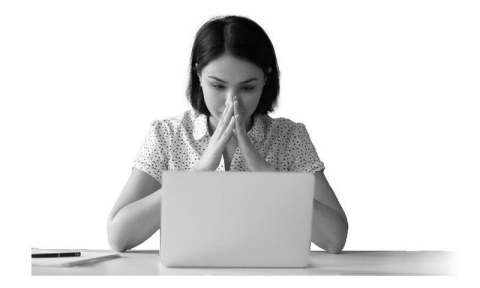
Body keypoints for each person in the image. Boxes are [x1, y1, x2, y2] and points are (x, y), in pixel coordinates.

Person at [107, 15, 348, 253]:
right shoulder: (167, 134)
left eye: (247, 88)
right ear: (199, 76)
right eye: (218, 86)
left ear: (266, 79)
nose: (232, 101)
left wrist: (268, 176)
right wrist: (195, 176)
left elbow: (334, 239)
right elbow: (119, 237)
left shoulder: (290, 136)